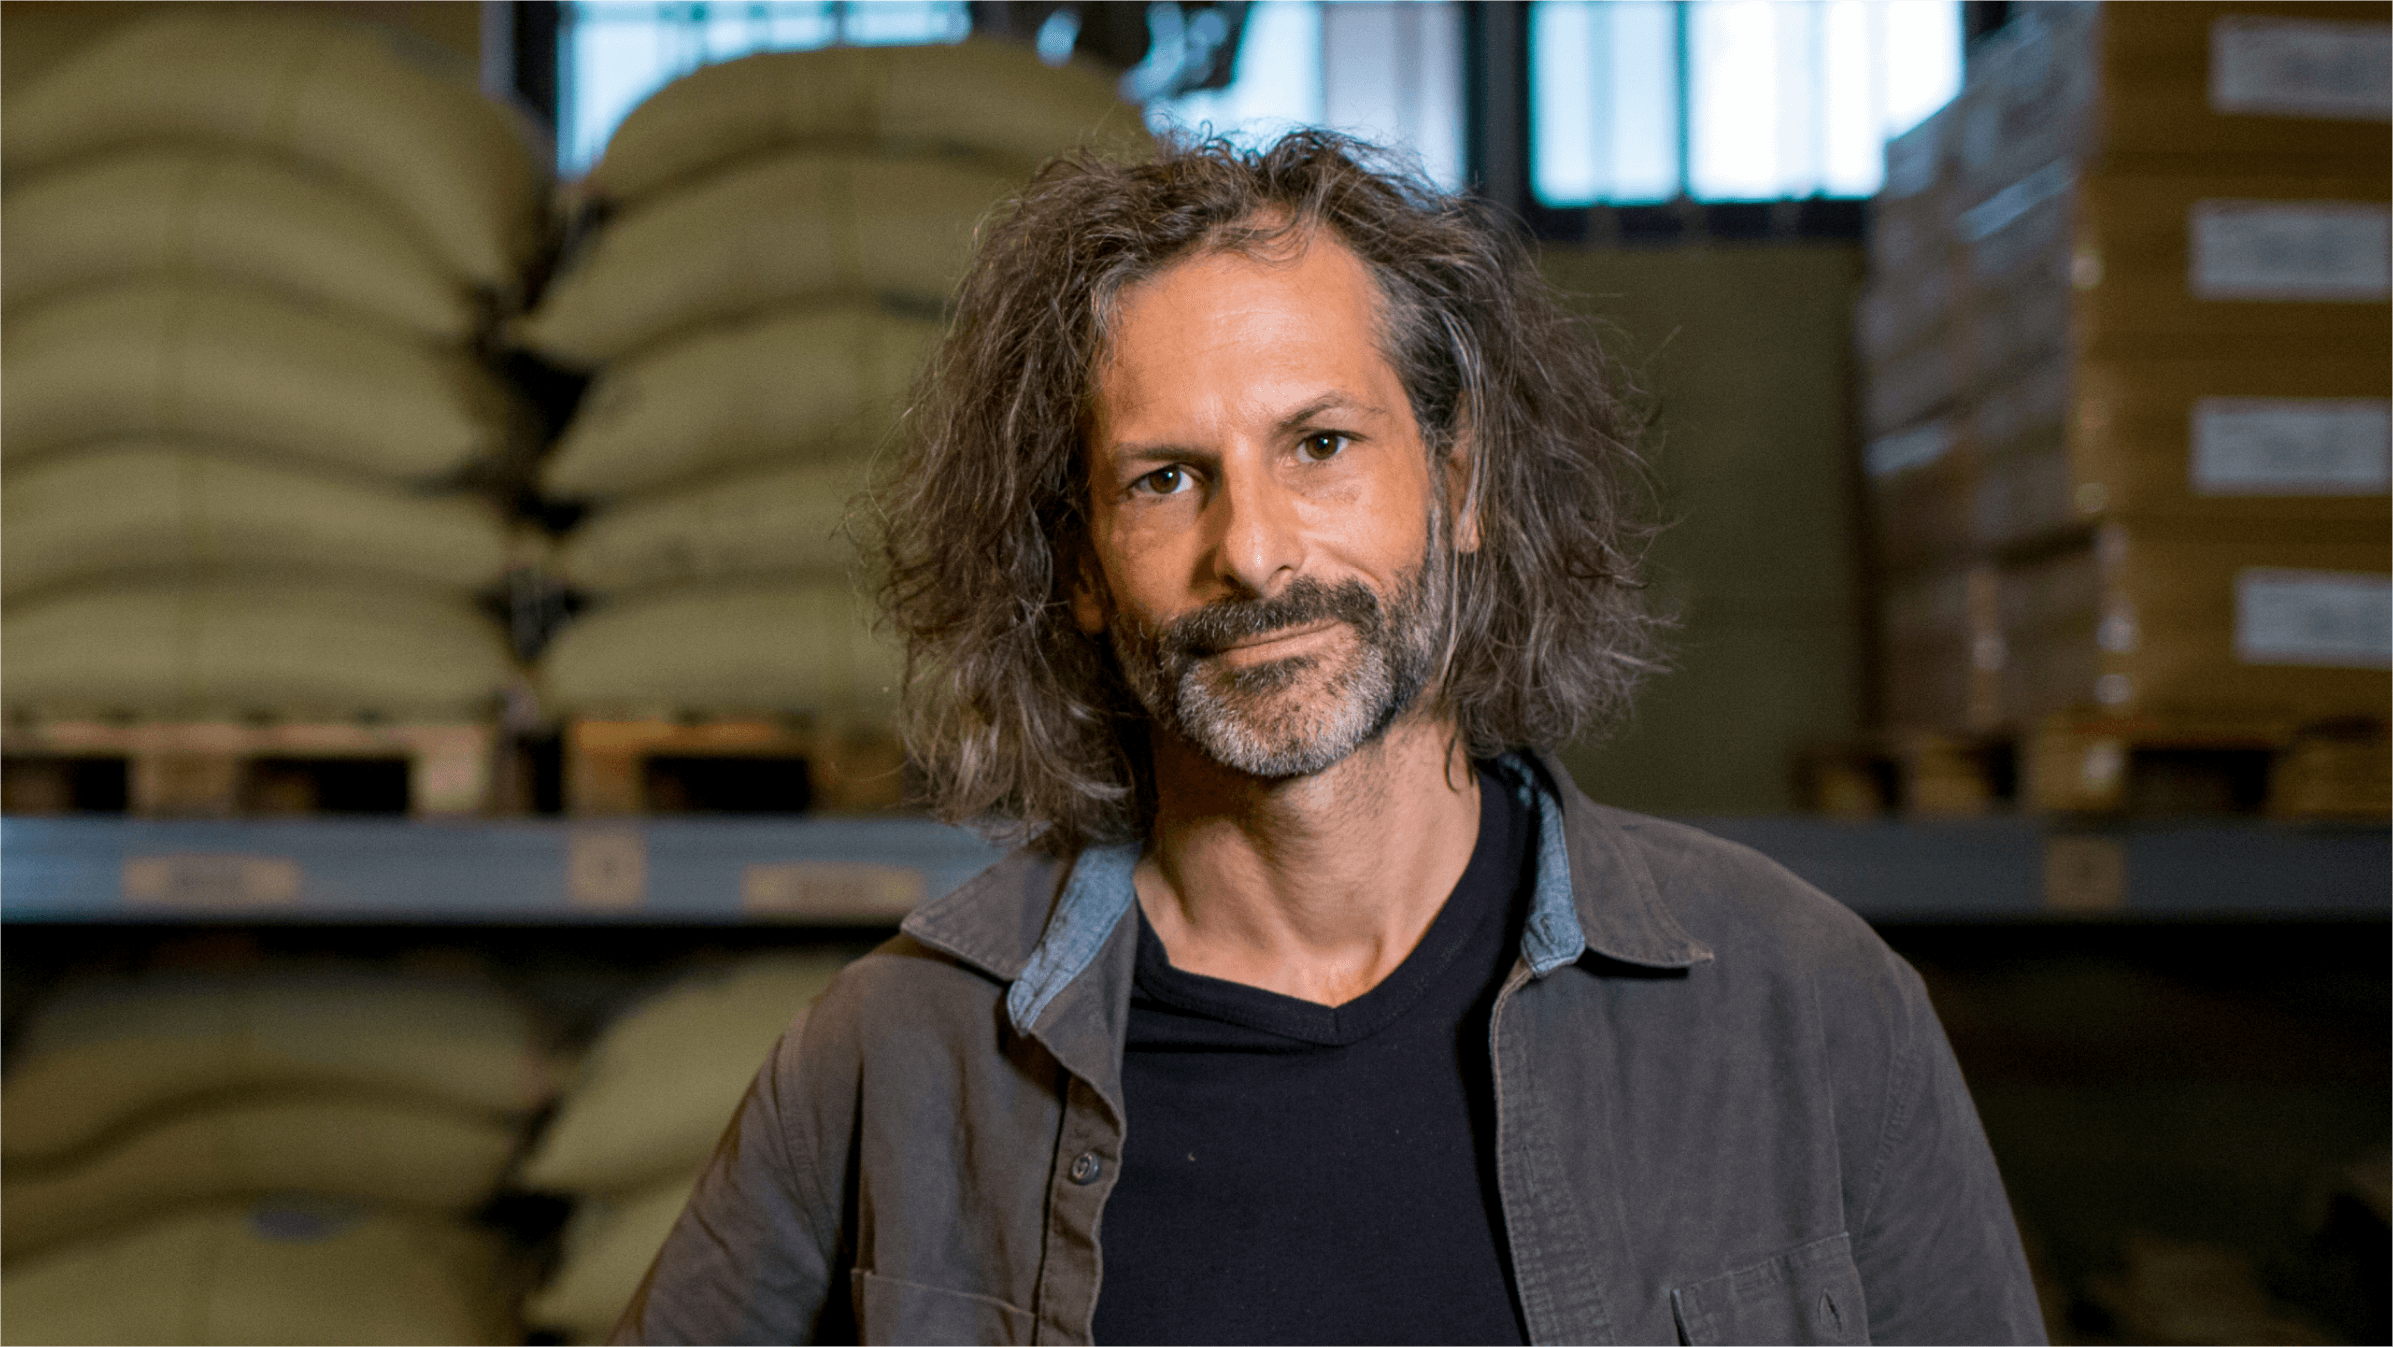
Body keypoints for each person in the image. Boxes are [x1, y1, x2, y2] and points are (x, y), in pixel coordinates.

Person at [616, 131, 2046, 1347]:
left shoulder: (1808, 1008)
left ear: (1461, 480)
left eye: (1320, 445)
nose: (1254, 551)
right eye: (1166, 478)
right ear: (1081, 569)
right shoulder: (901, 1057)